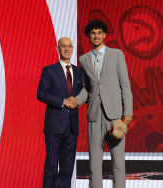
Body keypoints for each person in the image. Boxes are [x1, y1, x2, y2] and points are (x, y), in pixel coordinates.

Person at [69, 20, 133, 188]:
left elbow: (125, 85)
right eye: (92, 33)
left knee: (118, 164)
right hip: (94, 116)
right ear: (88, 36)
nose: (96, 36)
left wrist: (128, 114)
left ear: (104, 35)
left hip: (115, 117)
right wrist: (76, 101)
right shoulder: (83, 59)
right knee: (94, 166)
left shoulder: (117, 55)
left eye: (99, 32)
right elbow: (86, 89)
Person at [37, 37, 82, 188]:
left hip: (72, 126)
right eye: (63, 46)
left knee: (67, 169)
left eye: (69, 46)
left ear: (73, 48)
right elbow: (41, 94)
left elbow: (82, 94)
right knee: (51, 166)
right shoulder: (49, 70)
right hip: (54, 126)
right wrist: (63, 101)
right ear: (57, 49)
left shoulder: (78, 71)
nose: (67, 49)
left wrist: (77, 101)